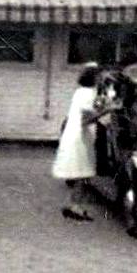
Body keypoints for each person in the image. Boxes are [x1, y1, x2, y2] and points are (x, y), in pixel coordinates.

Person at [53, 64, 106, 220]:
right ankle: (76, 208)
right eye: (99, 76)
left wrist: (102, 104)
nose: (101, 79)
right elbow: (86, 119)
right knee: (83, 175)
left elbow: (91, 109)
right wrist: (108, 109)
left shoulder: (81, 92)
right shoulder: (88, 94)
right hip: (80, 138)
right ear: (94, 78)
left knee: (79, 174)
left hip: (77, 136)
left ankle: (71, 204)